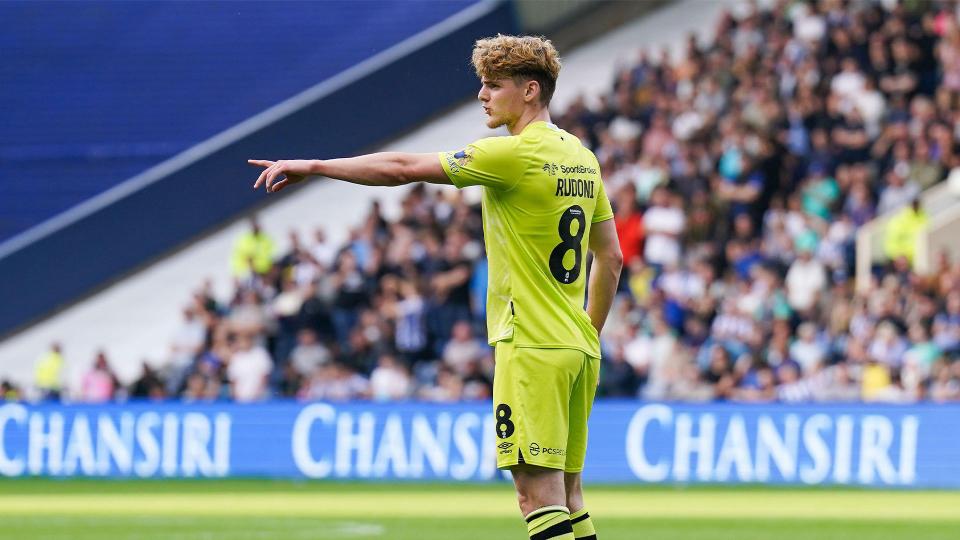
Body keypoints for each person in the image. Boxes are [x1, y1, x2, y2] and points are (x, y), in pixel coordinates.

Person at [250, 34, 621, 540]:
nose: (482, 95)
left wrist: (316, 167)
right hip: (576, 347)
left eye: (494, 85)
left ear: (530, 90)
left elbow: (403, 169)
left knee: (537, 498)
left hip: (531, 344)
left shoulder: (513, 154)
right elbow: (611, 258)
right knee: (571, 497)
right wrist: (588, 332)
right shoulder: (582, 158)